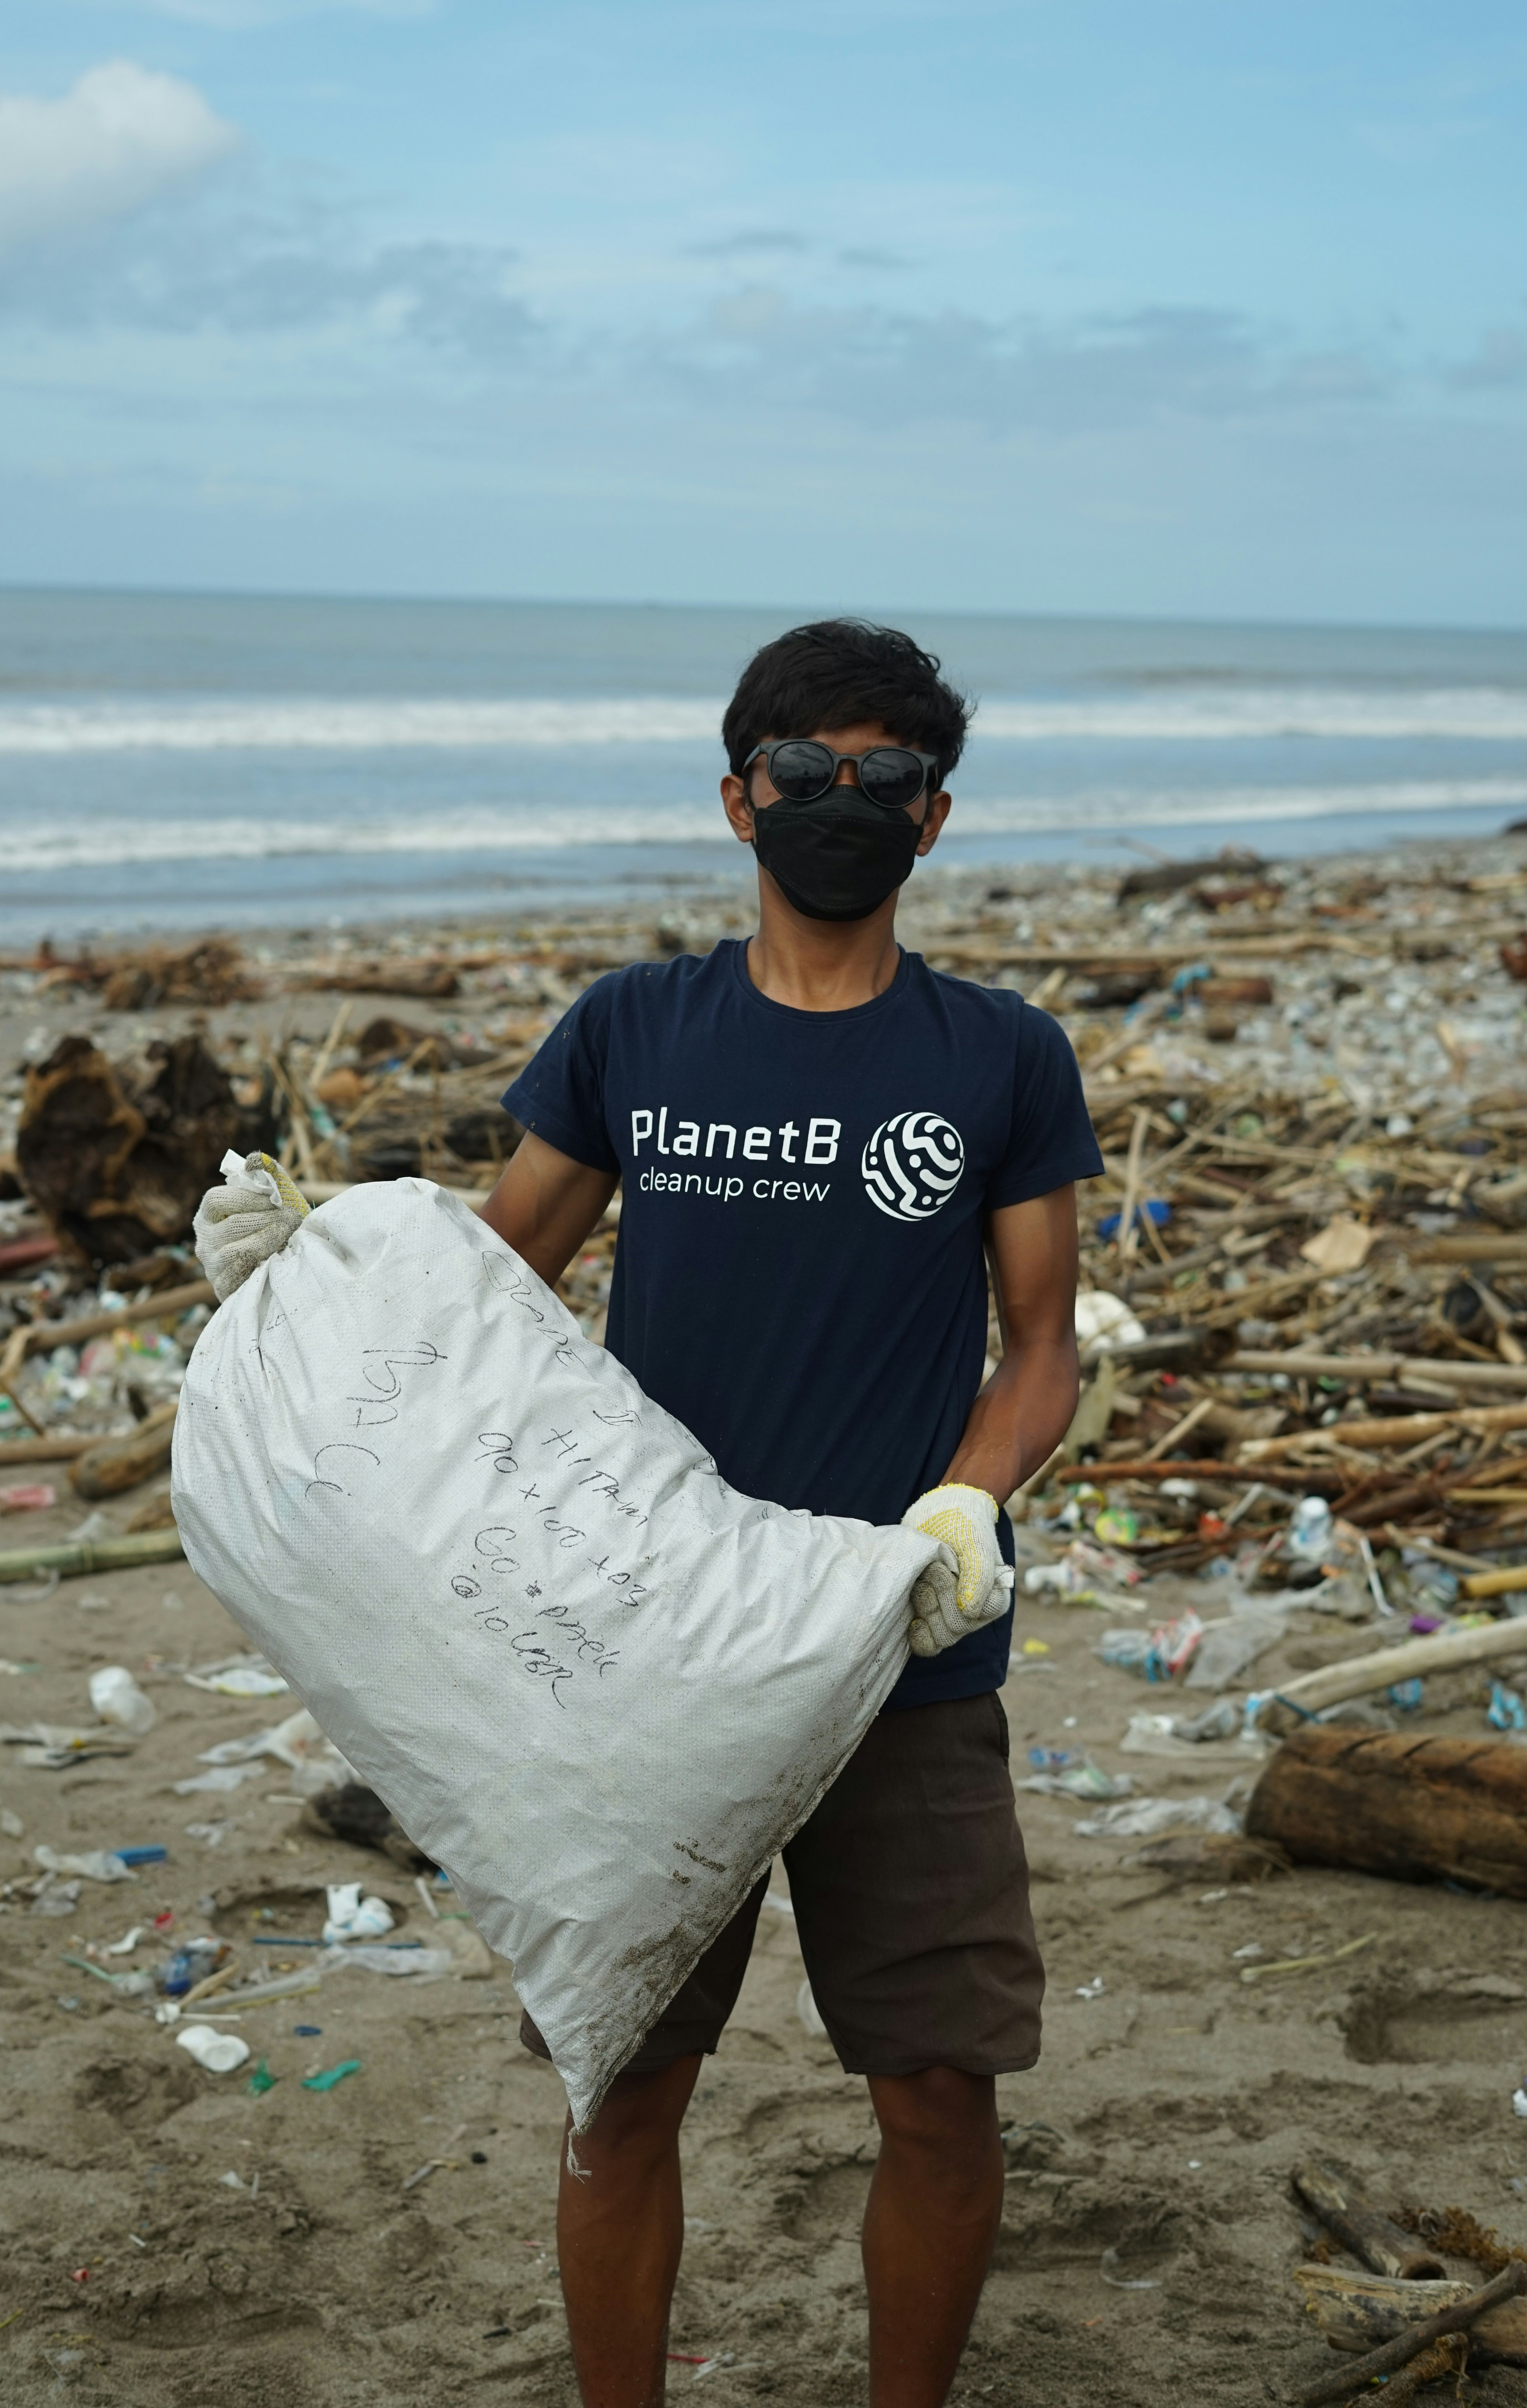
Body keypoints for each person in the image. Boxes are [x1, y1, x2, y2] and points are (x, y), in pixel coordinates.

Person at [481, 618, 1103, 2408]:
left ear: (936, 816)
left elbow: (1043, 1346)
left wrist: (964, 1508)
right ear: (737, 800)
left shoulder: (1000, 1056)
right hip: (651, 1649)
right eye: (805, 771)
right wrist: (322, 1272)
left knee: (940, 2091)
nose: (845, 798)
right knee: (621, 2091)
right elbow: (485, 1296)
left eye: (885, 775)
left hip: (899, 1644)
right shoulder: (632, 1030)